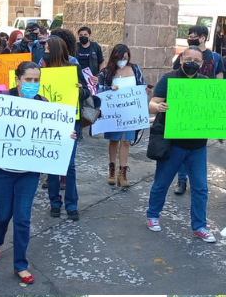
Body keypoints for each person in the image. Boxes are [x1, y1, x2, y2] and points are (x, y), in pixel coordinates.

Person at [0, 61, 73, 283]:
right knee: (2, 214)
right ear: (18, 80)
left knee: (22, 218)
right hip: (0, 169)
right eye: (28, 79)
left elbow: (54, 135)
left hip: (29, 172)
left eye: (36, 80)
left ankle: (20, 264)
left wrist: (67, 137)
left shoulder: (44, 104)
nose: (32, 84)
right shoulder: (2, 100)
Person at [146, 46, 217, 242]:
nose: (192, 62)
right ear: (181, 59)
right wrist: (159, 107)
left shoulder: (205, 83)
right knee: (162, 182)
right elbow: (152, 103)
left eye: (197, 60)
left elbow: (213, 109)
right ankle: (152, 215)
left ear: (202, 64)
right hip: (173, 143)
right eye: (188, 58)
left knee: (201, 187)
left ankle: (199, 226)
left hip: (198, 145)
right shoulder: (169, 78)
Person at [38, 37, 85, 221]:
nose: (45, 51)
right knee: (52, 163)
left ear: (56, 50)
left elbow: (87, 92)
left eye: (48, 48)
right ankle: (55, 203)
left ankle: (72, 204)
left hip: (69, 120)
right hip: (49, 121)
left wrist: (79, 90)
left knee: (69, 164)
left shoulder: (73, 69)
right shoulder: (42, 70)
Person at [96, 43, 145, 189]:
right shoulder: (106, 72)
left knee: (126, 141)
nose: (123, 60)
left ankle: (122, 172)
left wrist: (144, 91)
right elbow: (98, 90)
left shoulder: (135, 69)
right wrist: (108, 88)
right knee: (114, 140)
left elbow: (141, 85)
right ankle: (111, 170)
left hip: (130, 112)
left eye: (126, 57)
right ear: (115, 57)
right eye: (121, 57)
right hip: (114, 112)